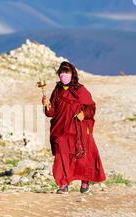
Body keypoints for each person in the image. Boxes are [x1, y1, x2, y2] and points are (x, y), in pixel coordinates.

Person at [42, 61, 106, 194]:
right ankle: (63, 184)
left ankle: (85, 182)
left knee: (81, 155)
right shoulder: (57, 90)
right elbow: (51, 113)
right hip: (61, 130)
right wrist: (47, 105)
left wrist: (84, 113)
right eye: (61, 72)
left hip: (77, 130)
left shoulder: (80, 90)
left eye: (66, 72)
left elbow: (91, 108)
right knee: (61, 156)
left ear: (73, 74)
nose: (63, 75)